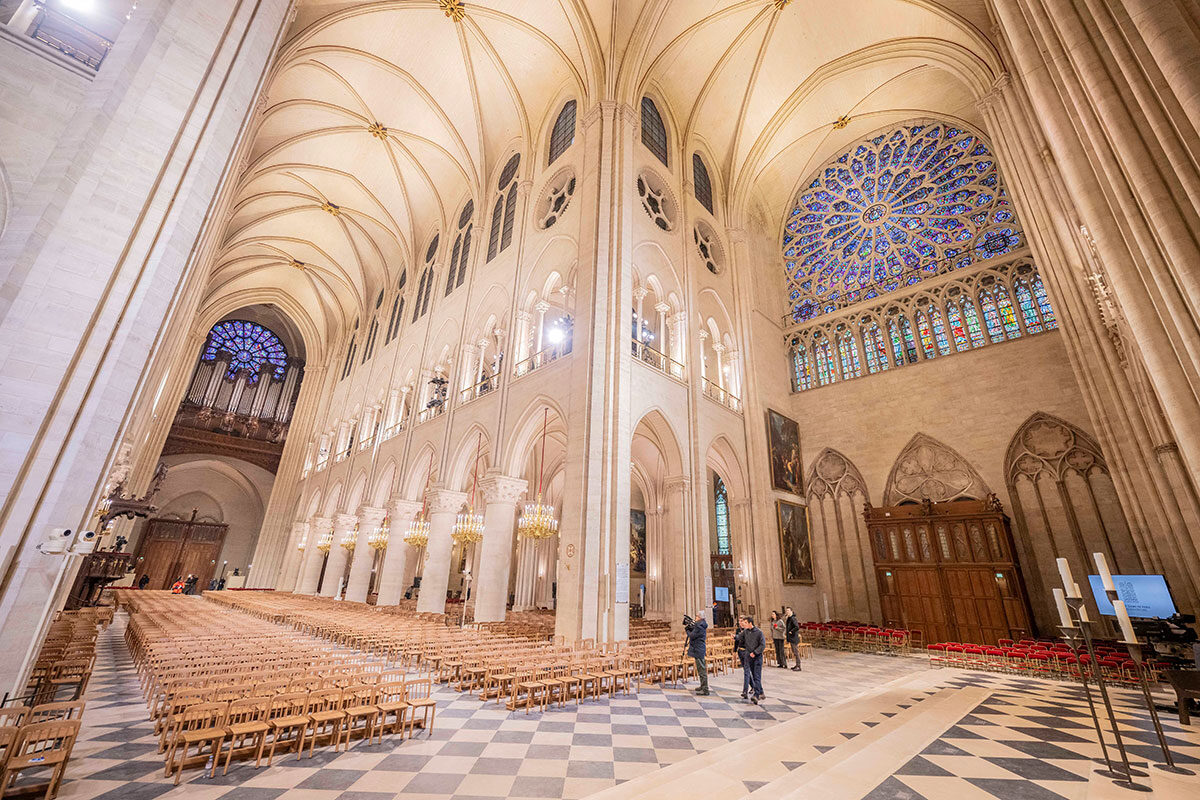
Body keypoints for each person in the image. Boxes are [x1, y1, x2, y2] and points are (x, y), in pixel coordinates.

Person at [736, 615, 765, 703]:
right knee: (754, 674)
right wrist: (734, 637)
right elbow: (739, 637)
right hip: (749, 657)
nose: (743, 625)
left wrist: (755, 652)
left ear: (750, 623)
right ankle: (761, 693)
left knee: (757, 676)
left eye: (745, 623)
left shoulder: (759, 632)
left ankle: (756, 695)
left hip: (757, 657)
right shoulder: (745, 632)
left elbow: (762, 645)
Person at [686, 611, 709, 696]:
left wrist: (687, 630)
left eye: (696, 616)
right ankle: (702, 686)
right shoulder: (701, 625)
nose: (695, 618)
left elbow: (692, 636)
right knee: (700, 669)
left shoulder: (699, 626)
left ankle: (705, 689)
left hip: (698, 649)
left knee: (702, 669)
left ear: (699, 617)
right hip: (699, 648)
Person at [785, 606, 803, 671]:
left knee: (796, 652)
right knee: (794, 652)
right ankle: (797, 665)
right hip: (791, 638)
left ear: (791, 611)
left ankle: (799, 666)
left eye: (788, 611)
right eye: (786, 611)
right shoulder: (789, 618)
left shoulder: (793, 618)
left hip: (794, 638)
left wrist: (791, 631)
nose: (787, 612)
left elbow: (797, 627)